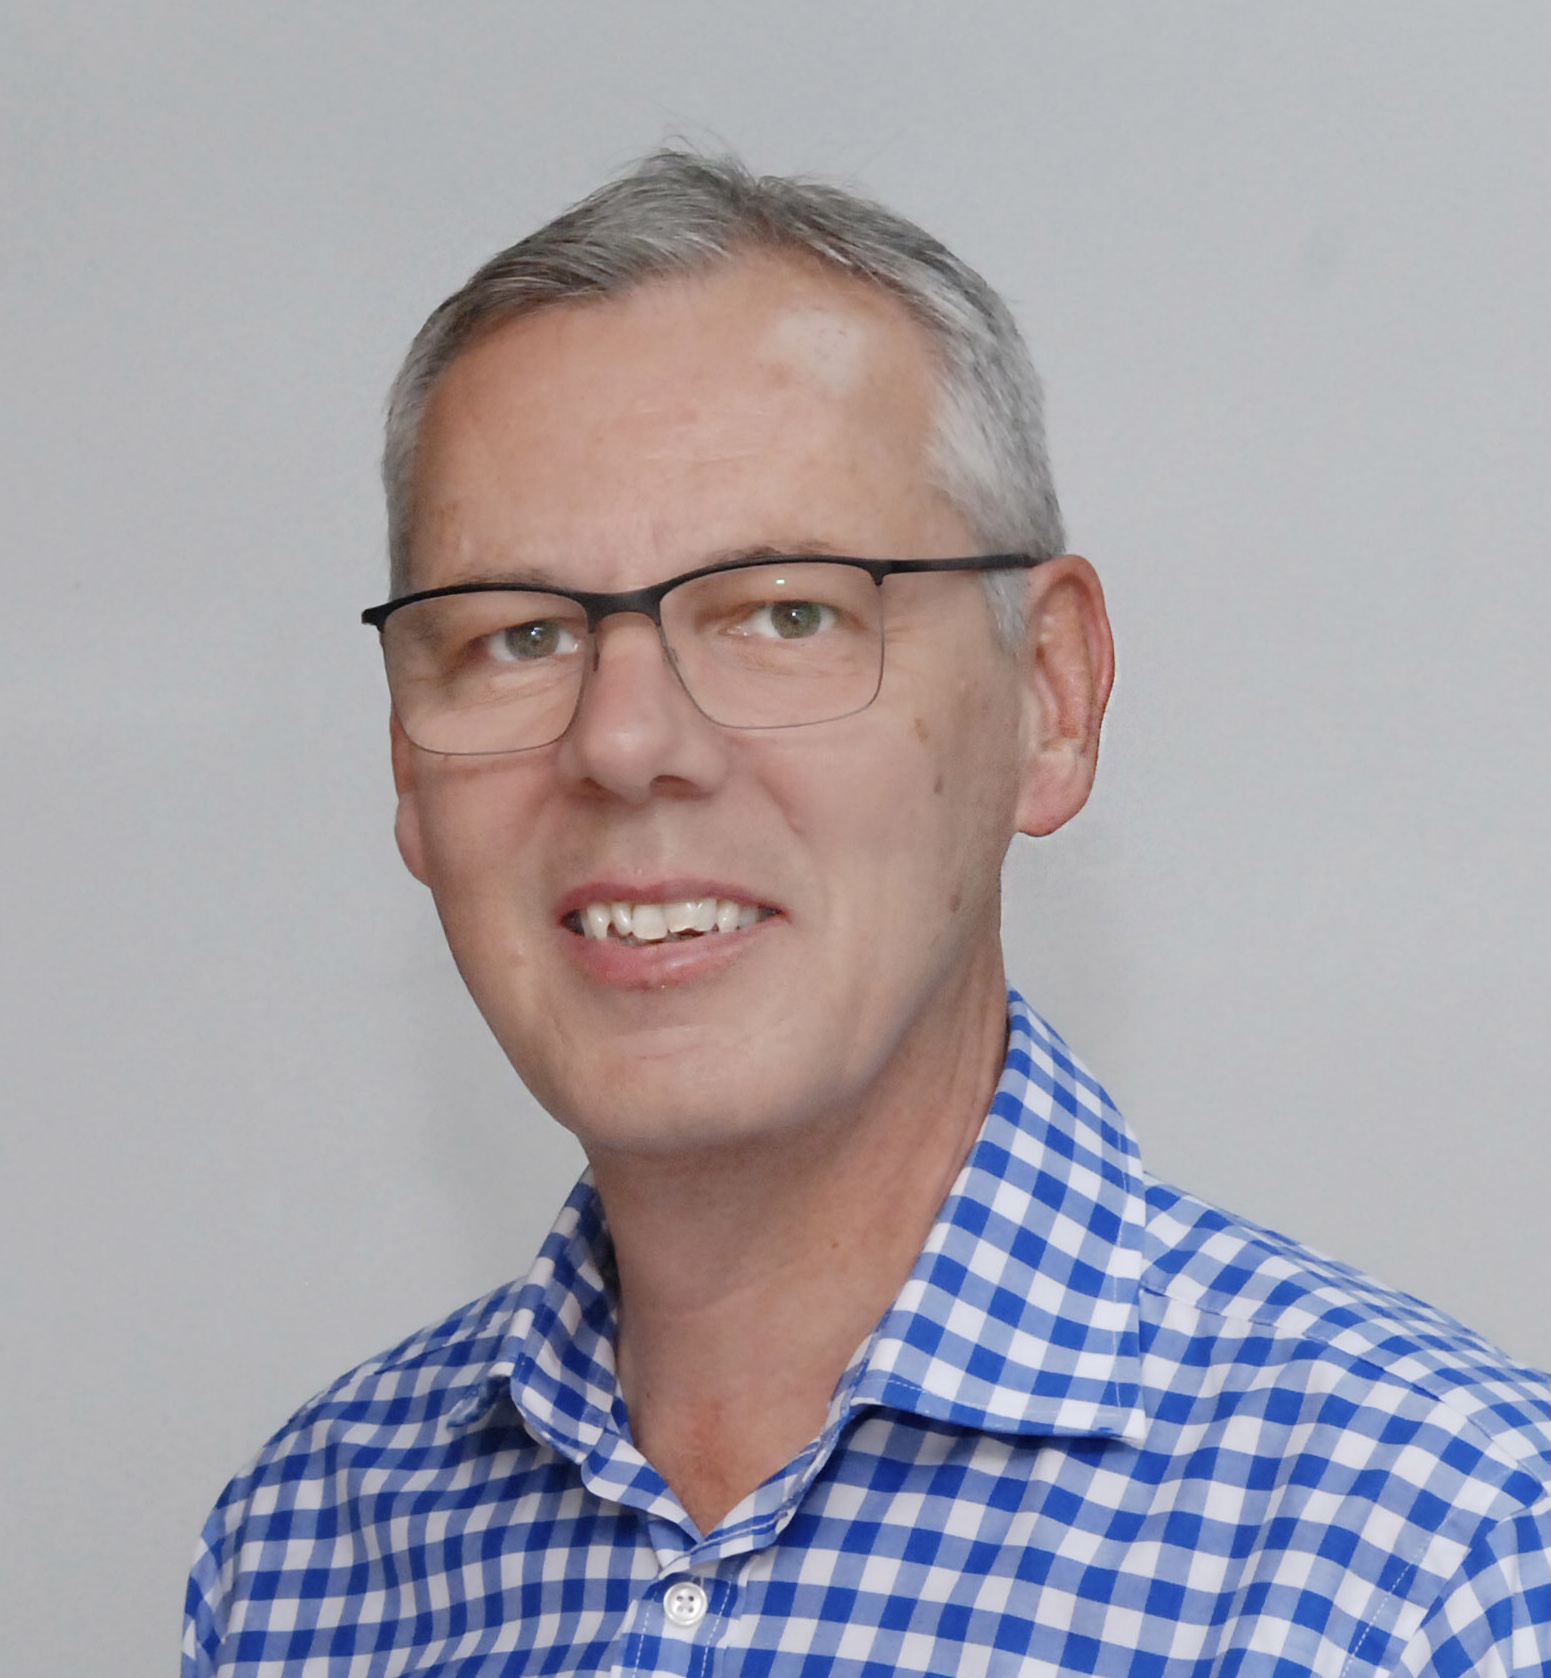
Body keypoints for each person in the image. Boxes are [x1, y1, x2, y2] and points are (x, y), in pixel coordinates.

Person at [184, 151, 1549, 1676]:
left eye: (787, 611)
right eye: (518, 637)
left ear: (1050, 697)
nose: (623, 742)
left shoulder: (1447, 1566)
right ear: (406, 762)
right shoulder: (304, 1554)